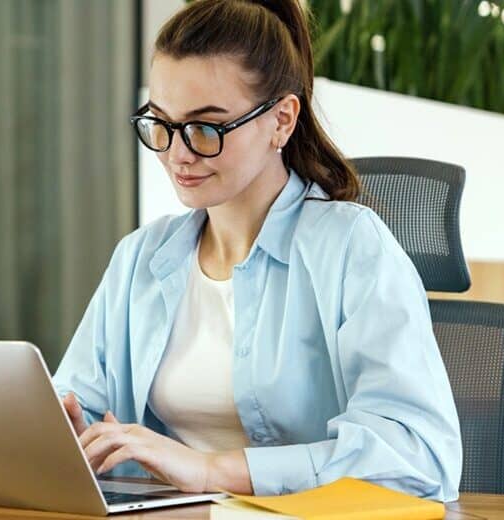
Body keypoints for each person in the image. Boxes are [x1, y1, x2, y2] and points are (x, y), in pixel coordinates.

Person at [51, 0, 462, 501]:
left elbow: (417, 455)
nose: (177, 153)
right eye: (160, 123)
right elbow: (78, 403)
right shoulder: (140, 257)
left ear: (282, 120)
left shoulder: (351, 248)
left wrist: (211, 471)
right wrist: (66, 434)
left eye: (206, 128)